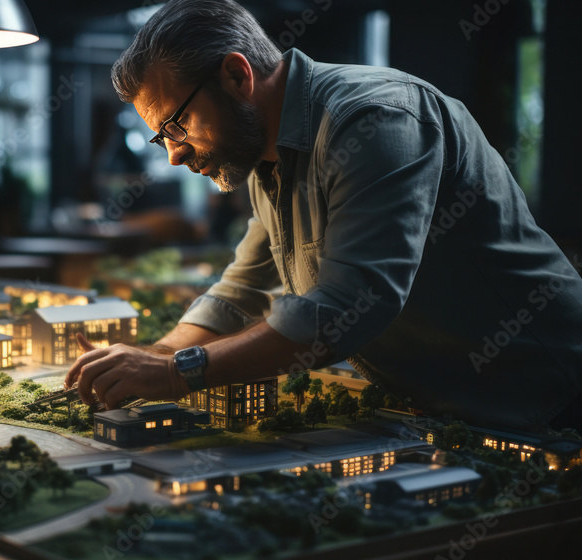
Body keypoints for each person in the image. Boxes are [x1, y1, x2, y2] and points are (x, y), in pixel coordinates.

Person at [65, 0, 582, 433]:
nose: (173, 155)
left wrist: (176, 374)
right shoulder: (269, 158)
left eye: (175, 126)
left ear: (235, 74)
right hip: (460, 409)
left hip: (548, 394)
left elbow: (348, 303)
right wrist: (155, 355)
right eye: (161, 138)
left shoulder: (373, 119)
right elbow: (239, 291)